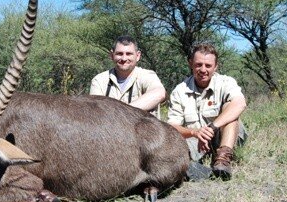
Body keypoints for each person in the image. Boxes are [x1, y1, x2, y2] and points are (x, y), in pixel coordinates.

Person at [167, 43, 247, 180]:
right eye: (198, 65)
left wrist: (213, 127)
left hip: (224, 136)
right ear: (191, 63)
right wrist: (194, 132)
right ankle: (192, 168)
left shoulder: (226, 82)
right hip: (197, 140)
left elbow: (240, 103)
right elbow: (172, 126)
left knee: (230, 109)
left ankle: (223, 160)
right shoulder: (179, 91)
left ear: (216, 67)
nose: (203, 70)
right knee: (171, 148)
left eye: (208, 66)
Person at [90, 35, 166, 115]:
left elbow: (159, 93)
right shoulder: (99, 80)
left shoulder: (147, 76)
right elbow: (96, 111)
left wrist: (123, 111)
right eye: (119, 54)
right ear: (112, 55)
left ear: (138, 56)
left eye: (129, 54)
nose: (124, 58)